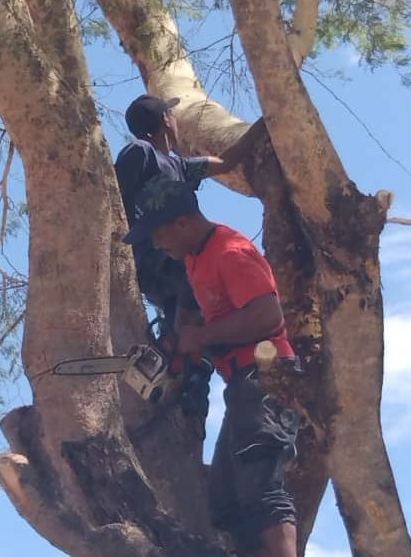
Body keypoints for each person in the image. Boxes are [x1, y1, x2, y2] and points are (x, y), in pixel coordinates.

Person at [123, 178, 300, 557]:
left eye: (159, 233)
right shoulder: (194, 257)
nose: (156, 244)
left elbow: (268, 316)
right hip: (241, 384)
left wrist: (200, 338)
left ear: (183, 222)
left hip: (267, 378)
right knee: (224, 503)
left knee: (261, 485)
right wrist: (180, 337)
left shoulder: (230, 252)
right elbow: (191, 301)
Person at [114, 94, 263, 332]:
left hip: (180, 261)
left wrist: (263, 125)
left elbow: (225, 162)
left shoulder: (179, 165)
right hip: (155, 260)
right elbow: (116, 197)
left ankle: (190, 360)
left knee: (200, 311)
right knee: (194, 304)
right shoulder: (140, 151)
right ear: (166, 119)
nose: (175, 120)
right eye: (172, 114)